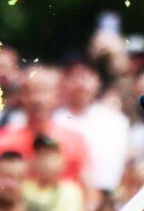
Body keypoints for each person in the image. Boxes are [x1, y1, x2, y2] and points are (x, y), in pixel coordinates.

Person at [0, 67, 91, 192]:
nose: (37, 99)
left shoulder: (75, 141)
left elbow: (88, 192)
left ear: (57, 96)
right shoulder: (0, 141)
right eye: (29, 91)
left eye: (44, 91)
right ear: (21, 97)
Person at [55, 59, 131, 196]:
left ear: (97, 81)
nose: (81, 84)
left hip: (106, 197)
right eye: (75, 76)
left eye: (86, 77)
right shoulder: (54, 120)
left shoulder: (116, 122)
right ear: (64, 81)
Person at [23, 135, 90, 211]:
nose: (44, 162)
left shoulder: (70, 190)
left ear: (62, 160)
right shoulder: (25, 189)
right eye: (41, 155)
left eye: (50, 156)